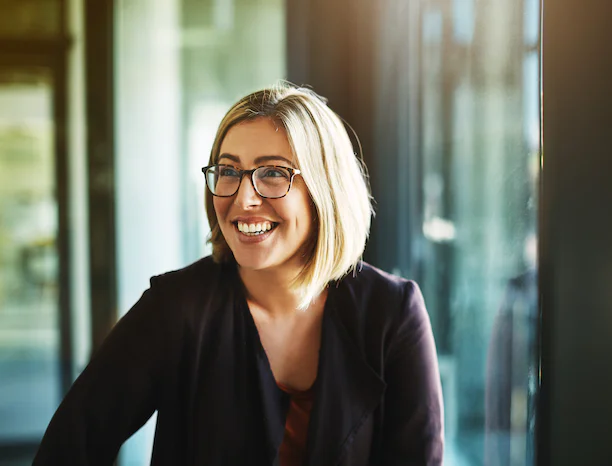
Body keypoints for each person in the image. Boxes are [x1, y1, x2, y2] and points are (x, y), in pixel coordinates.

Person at [33, 83, 444, 466]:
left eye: (273, 173)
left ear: (325, 189)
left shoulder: (392, 313)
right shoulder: (176, 308)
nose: (243, 198)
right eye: (228, 171)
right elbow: (70, 445)